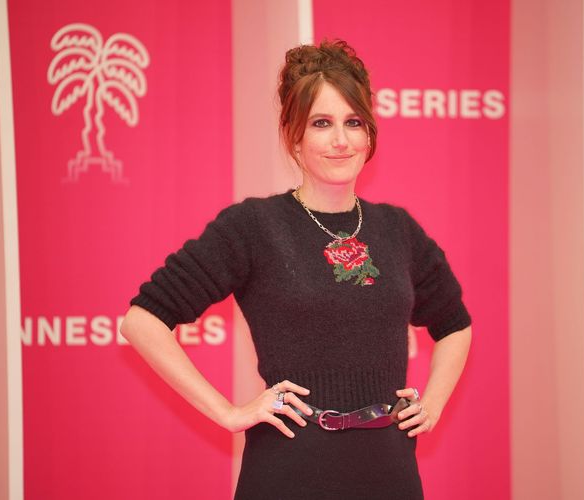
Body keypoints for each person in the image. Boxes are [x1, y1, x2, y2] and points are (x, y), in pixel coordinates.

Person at [120, 39, 472, 499]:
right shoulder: (254, 226)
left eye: (353, 122)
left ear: (370, 134)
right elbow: (142, 321)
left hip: (389, 469)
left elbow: (454, 325)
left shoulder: (397, 228)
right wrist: (228, 413)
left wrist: (434, 403)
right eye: (321, 123)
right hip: (289, 469)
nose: (341, 140)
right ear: (293, 135)